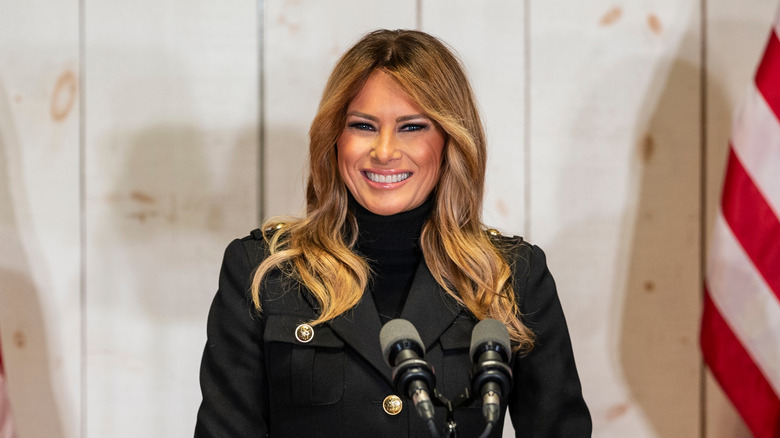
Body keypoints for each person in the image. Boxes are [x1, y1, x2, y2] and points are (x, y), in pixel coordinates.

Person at [195, 29, 591, 437]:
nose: (384, 151)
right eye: (364, 125)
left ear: (449, 139)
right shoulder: (263, 271)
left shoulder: (512, 275)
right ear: (335, 138)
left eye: (411, 127)